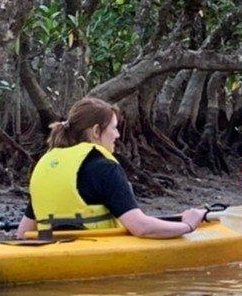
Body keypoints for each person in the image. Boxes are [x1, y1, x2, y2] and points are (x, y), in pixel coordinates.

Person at [16, 97, 205, 238]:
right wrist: (187, 226)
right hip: (91, 254)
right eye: (114, 128)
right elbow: (141, 228)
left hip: (49, 251)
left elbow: (23, 233)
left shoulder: (48, 166)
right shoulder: (105, 168)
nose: (117, 135)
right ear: (97, 131)